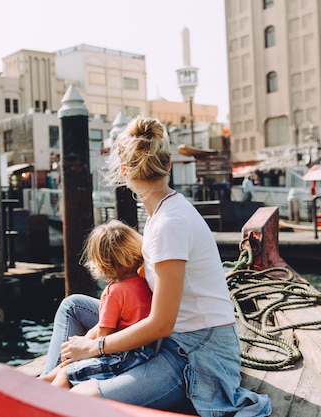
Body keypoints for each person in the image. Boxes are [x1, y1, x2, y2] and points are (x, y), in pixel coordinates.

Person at [41, 116, 271, 416]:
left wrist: (93, 347)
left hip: (193, 353)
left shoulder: (167, 225)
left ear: (124, 172)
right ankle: (50, 384)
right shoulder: (165, 214)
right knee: (73, 306)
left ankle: (47, 391)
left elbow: (161, 324)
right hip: (171, 341)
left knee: (82, 398)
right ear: (169, 165)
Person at [39, 219, 156, 390]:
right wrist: (84, 340)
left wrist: (84, 347)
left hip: (124, 356)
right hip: (146, 352)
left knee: (68, 372)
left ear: (102, 263)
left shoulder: (113, 292)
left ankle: (44, 400)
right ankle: (48, 377)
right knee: (69, 364)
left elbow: (104, 333)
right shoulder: (146, 282)